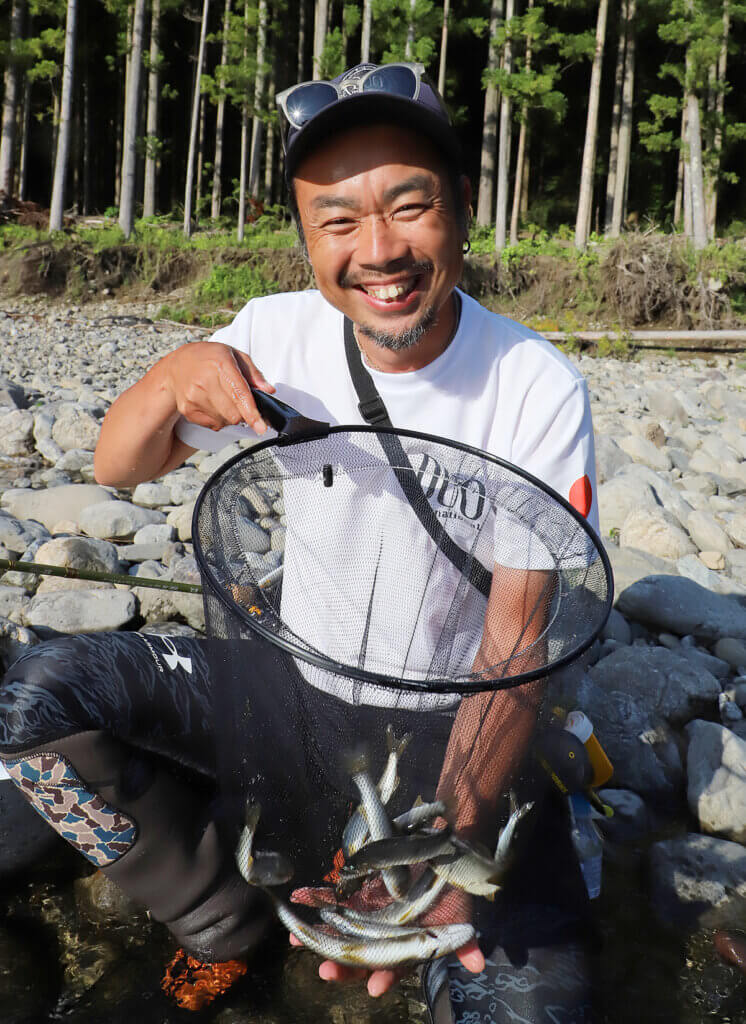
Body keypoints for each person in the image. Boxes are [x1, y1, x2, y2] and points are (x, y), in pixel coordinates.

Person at [0, 64, 599, 1021]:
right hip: (290, 685)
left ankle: (409, 908)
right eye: (338, 220)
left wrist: (446, 847)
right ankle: (218, 920)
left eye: (410, 206)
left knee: (525, 1005)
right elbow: (117, 469)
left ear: (462, 210)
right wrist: (171, 375)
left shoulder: (534, 386)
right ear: (307, 238)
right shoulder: (275, 335)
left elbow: (518, 643)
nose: (380, 251)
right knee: (36, 700)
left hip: (454, 719)